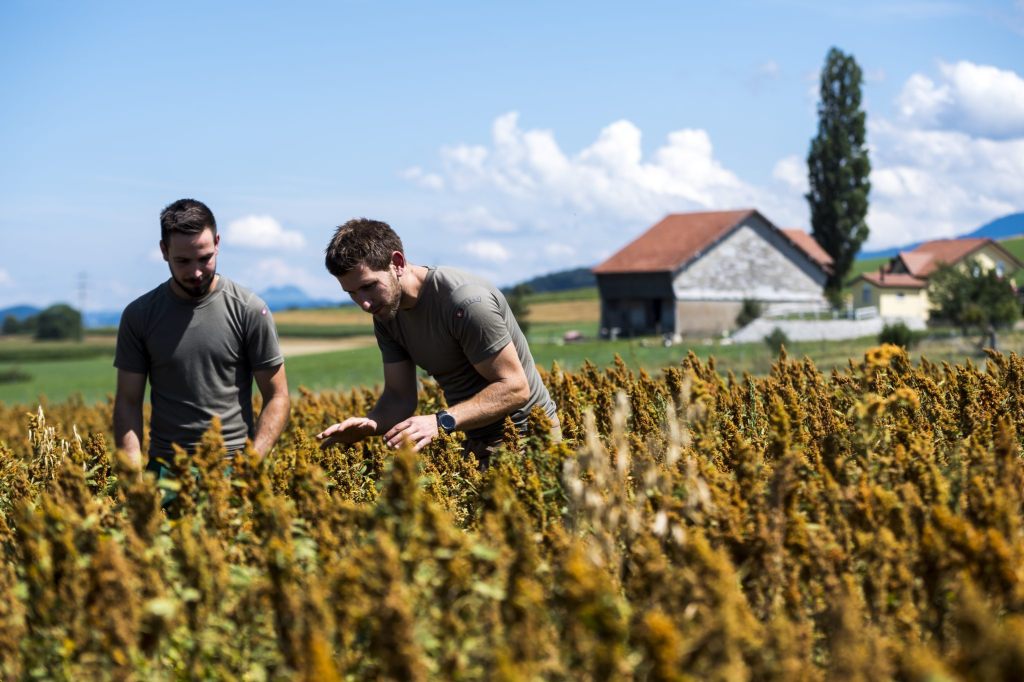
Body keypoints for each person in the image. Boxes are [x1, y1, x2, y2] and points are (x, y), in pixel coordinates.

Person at [316, 218, 559, 466]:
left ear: (397, 263)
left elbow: (515, 387)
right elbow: (400, 397)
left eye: (369, 286)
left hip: (530, 441)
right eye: (352, 293)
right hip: (477, 442)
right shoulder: (386, 312)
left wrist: (440, 421)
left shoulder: (465, 303)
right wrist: (370, 424)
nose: (364, 303)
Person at [113, 198, 290, 477]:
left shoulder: (250, 310)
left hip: (233, 465)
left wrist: (252, 462)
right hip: (166, 469)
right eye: (182, 261)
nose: (195, 272)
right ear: (163, 251)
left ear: (217, 243)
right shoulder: (139, 315)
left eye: (205, 258)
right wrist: (132, 474)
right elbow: (128, 400)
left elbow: (277, 396)